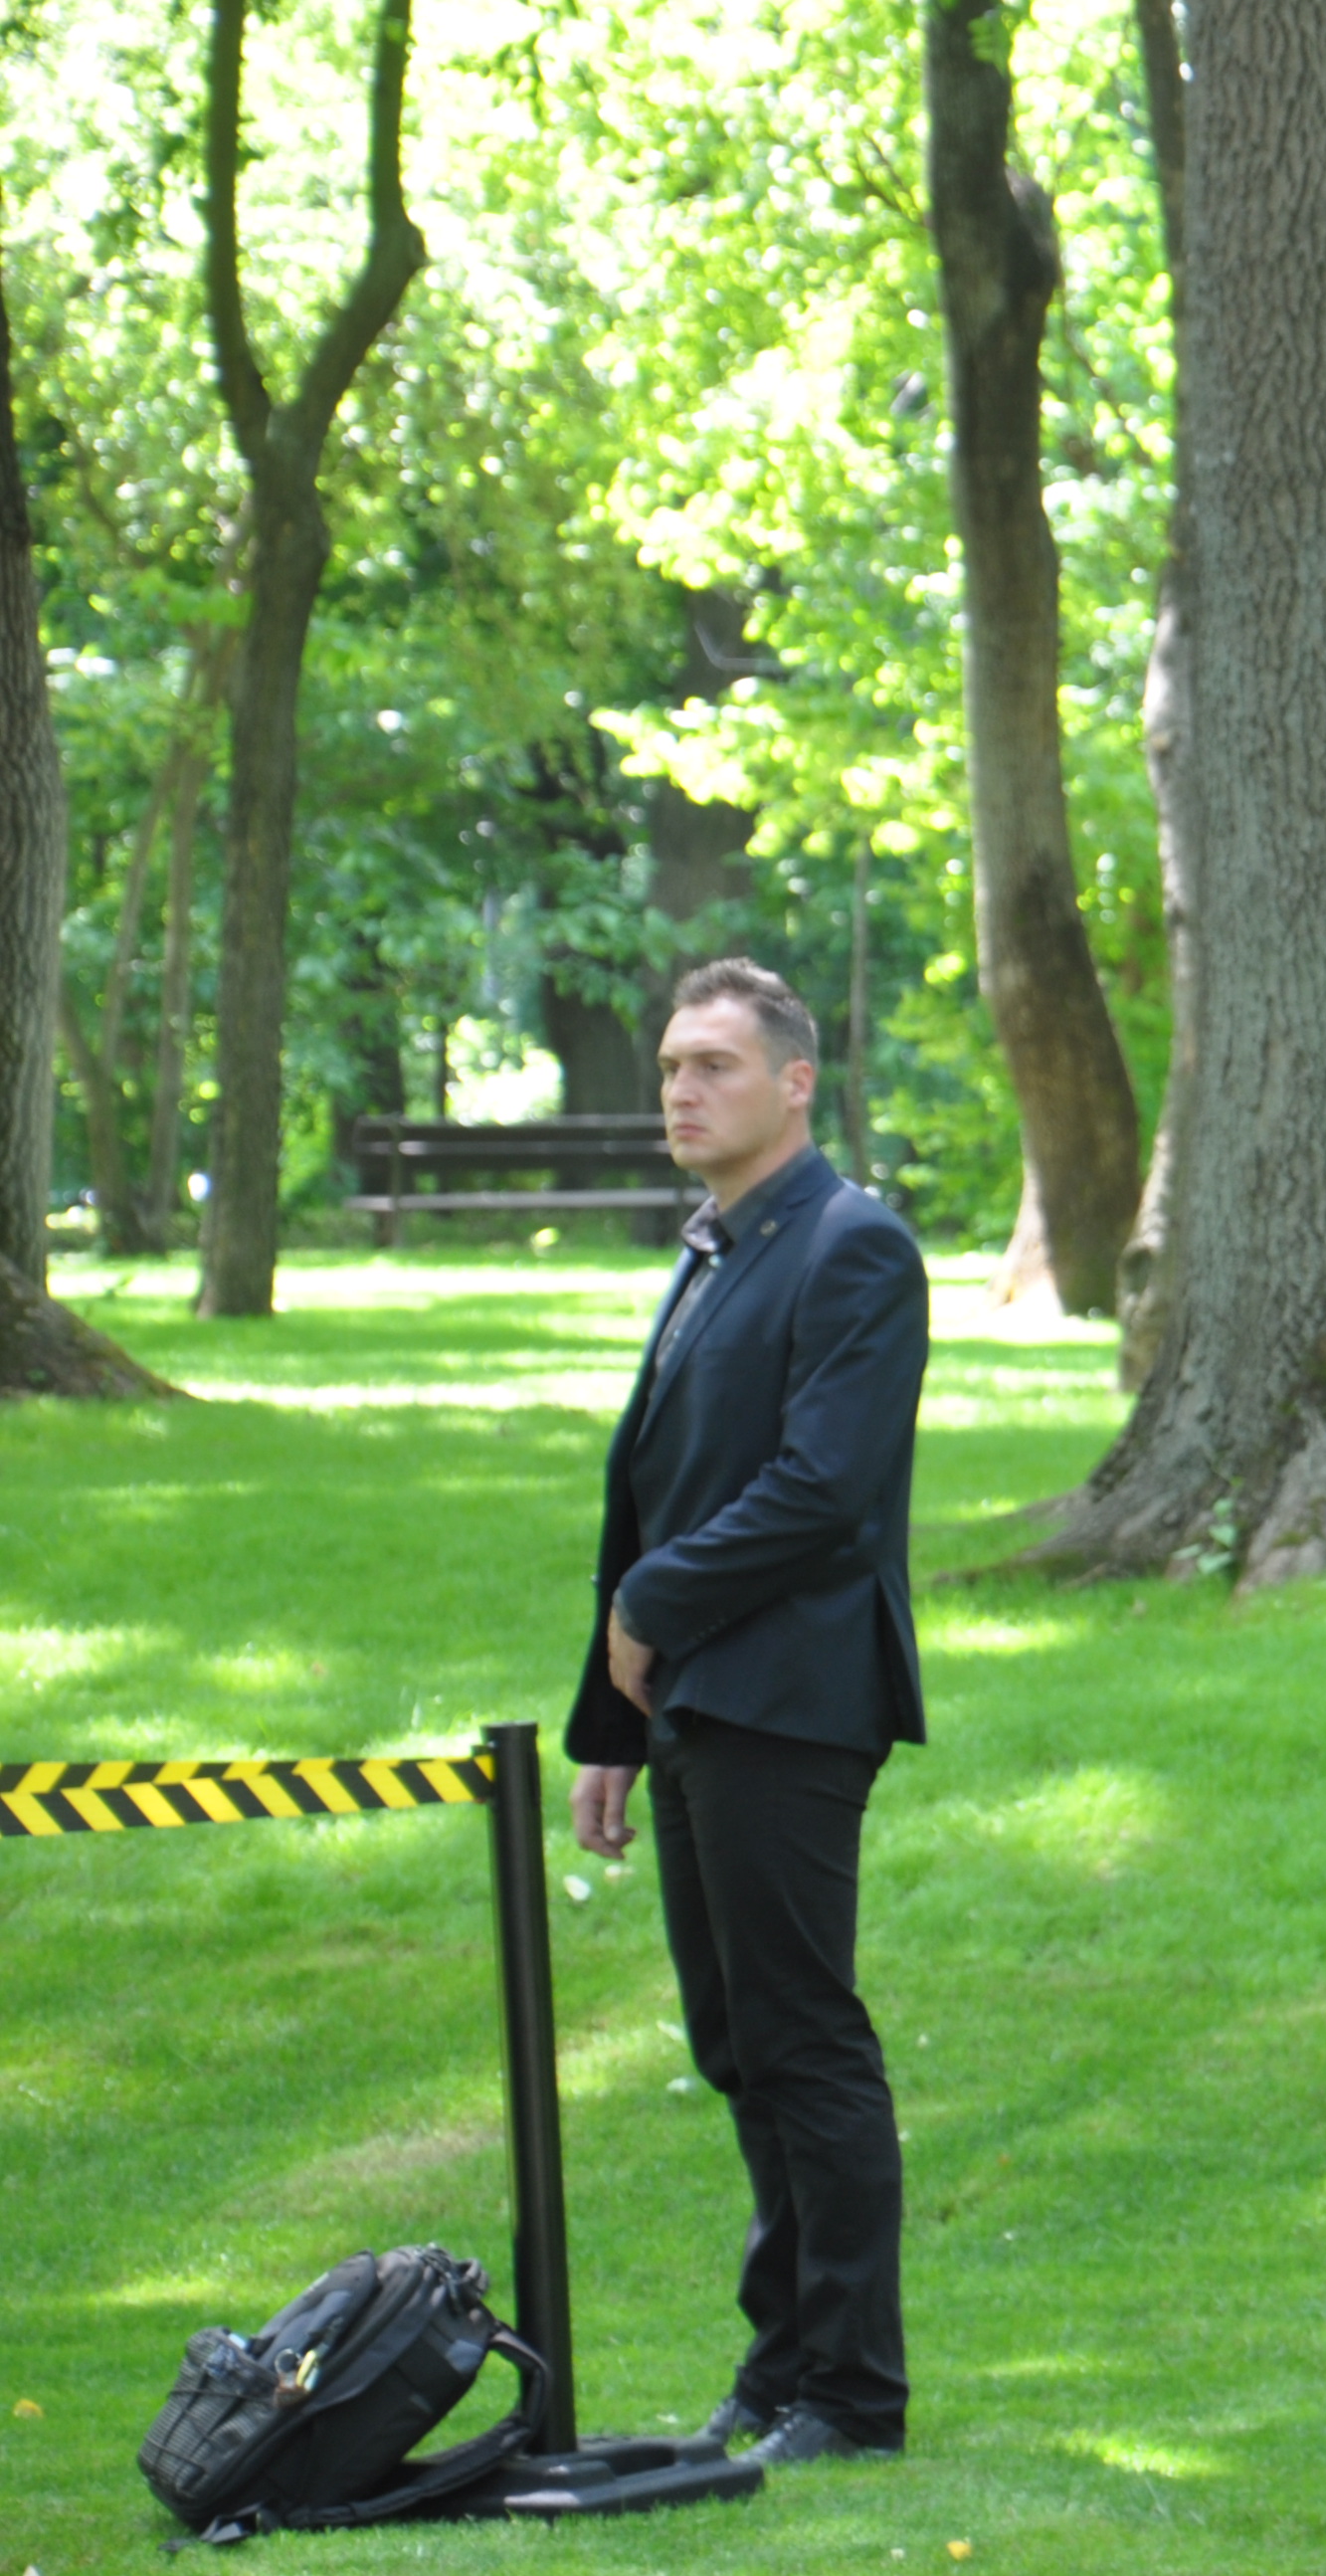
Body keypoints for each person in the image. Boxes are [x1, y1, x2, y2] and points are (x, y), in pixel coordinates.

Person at [566, 958, 931, 2470]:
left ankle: (851, 2392)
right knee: (735, 2040)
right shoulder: (717, 1247)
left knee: (801, 2036)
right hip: (693, 1702)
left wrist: (651, 1612)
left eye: (712, 1065)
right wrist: (607, 1720)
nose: (680, 1091)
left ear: (796, 1082)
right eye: (667, 1069)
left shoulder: (853, 1245)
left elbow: (823, 1496)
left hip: (792, 1695)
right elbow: (656, 1491)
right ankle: (780, 2364)